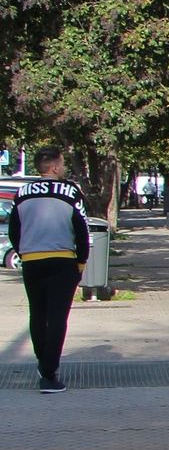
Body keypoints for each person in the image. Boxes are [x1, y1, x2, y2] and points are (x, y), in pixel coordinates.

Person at [7, 148, 89, 393]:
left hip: (32, 261)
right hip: (63, 261)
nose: (63, 168)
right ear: (54, 167)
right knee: (57, 318)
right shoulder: (71, 192)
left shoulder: (22, 194)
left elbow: (14, 230)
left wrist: (24, 253)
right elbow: (82, 228)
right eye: (62, 164)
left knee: (37, 314)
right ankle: (49, 374)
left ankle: (42, 361)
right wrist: (81, 262)